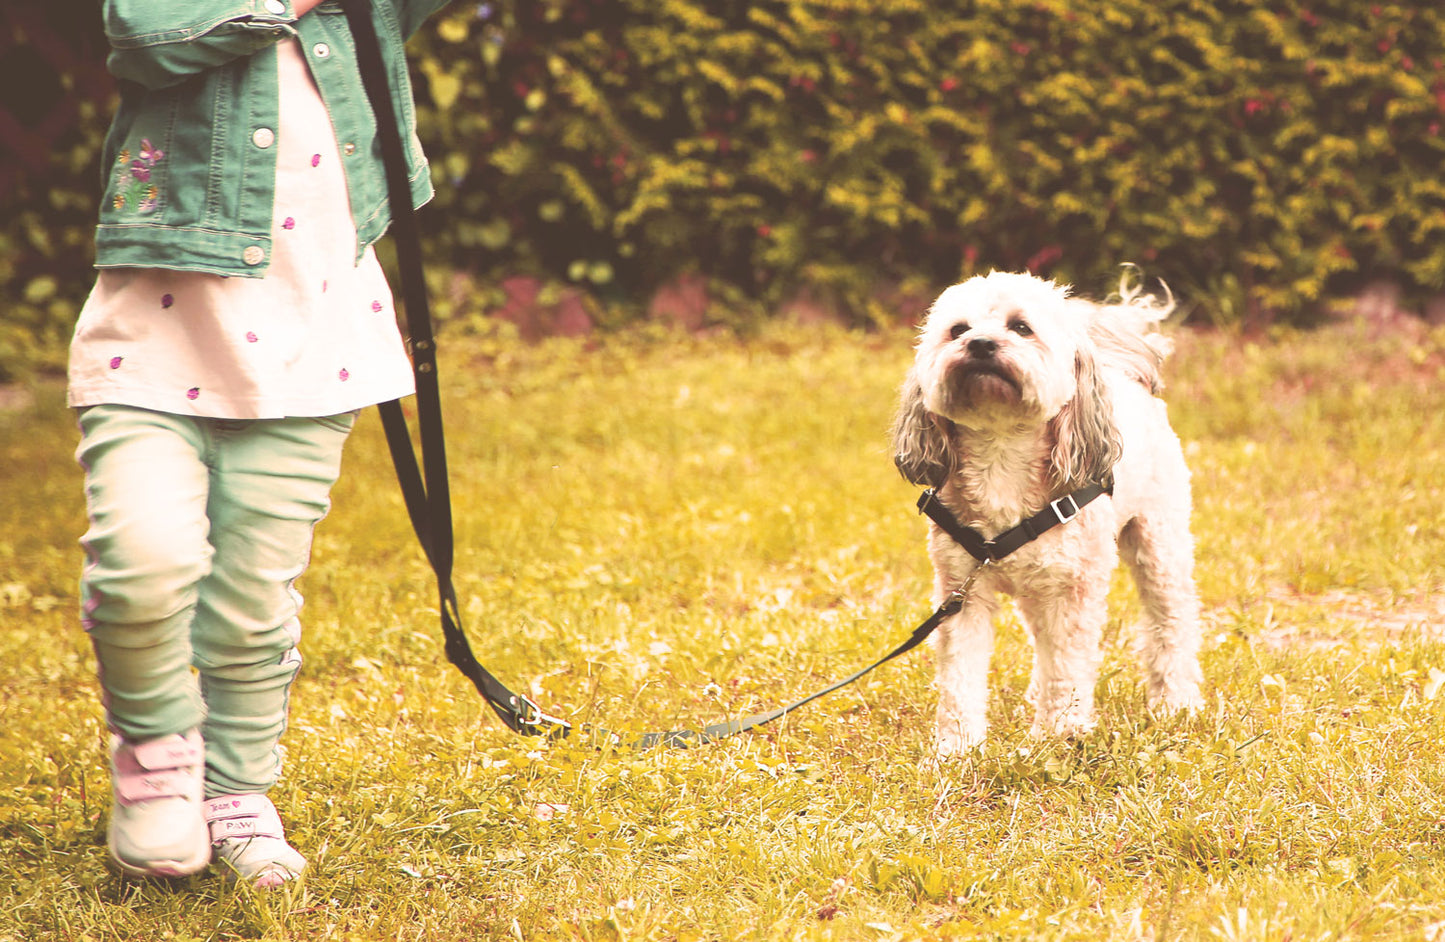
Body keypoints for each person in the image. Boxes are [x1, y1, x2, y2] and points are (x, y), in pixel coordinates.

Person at [69, 0, 451, 885]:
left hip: (313, 339)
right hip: (152, 334)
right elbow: (147, 34)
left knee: (251, 599)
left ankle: (237, 794)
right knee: (140, 562)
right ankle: (158, 763)